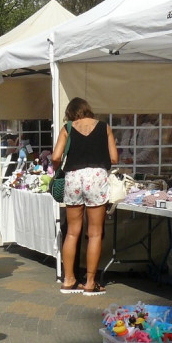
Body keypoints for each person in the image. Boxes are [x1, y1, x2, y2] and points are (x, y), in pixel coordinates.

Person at [51, 97, 118, 296]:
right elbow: (114, 158)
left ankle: (69, 279)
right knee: (95, 233)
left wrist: (59, 169)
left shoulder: (67, 128)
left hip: (73, 177)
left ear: (71, 113)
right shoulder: (104, 127)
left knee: (72, 232)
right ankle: (90, 282)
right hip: (96, 177)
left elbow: (55, 157)